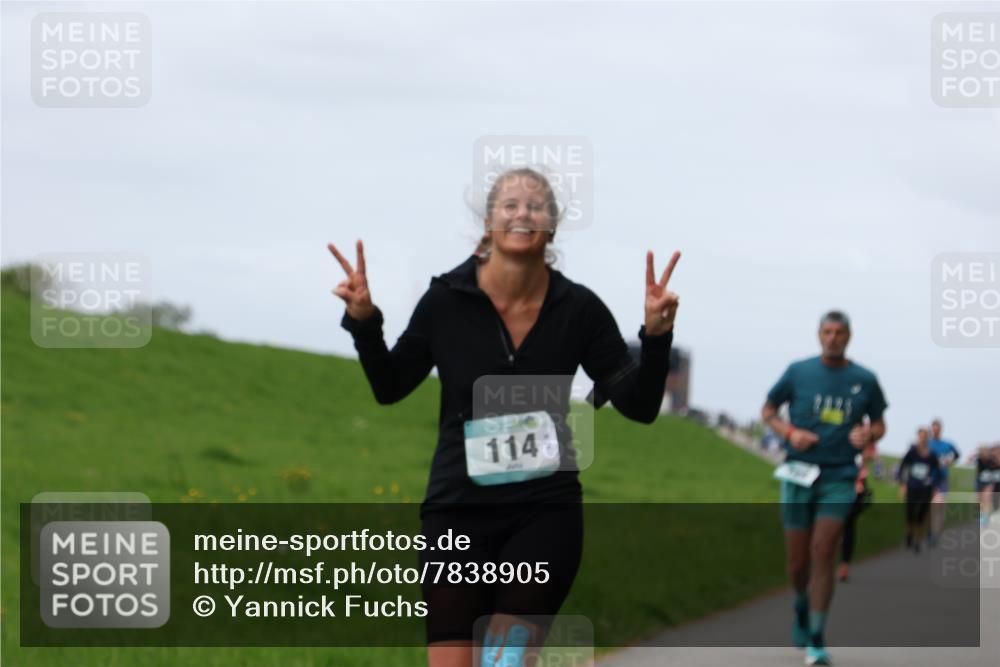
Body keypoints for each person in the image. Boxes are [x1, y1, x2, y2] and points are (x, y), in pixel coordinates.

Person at [329, 167, 681, 667]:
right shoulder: (445, 302)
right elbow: (390, 386)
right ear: (489, 222)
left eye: (536, 206)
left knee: (504, 661)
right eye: (510, 205)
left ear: (552, 227)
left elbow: (639, 407)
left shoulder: (579, 309)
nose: (522, 214)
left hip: (543, 514)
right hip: (456, 514)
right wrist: (365, 323)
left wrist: (656, 338)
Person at [761, 310, 888, 667]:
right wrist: (790, 433)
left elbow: (880, 424)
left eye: (839, 332)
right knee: (797, 563)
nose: (833, 338)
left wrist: (869, 434)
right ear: (819, 335)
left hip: (840, 476)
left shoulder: (865, 379)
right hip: (799, 473)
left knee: (824, 550)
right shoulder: (798, 371)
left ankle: (816, 637)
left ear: (849, 336)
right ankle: (801, 605)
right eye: (828, 332)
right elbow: (768, 410)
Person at [896, 428, 941, 553]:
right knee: (910, 513)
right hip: (912, 487)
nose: (922, 439)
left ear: (928, 438)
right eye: (921, 436)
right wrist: (902, 484)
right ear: (918, 437)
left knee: (921, 515)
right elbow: (902, 467)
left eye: (925, 436)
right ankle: (909, 534)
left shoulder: (932, 455)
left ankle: (917, 541)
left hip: (926, 489)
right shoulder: (912, 453)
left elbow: (938, 472)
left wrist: (935, 487)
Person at [837, 442, 875, 583]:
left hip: (855, 488)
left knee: (848, 526)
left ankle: (844, 565)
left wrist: (860, 481)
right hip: (834, 485)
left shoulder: (859, 441)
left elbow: (869, 454)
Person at [927, 418, 961, 546]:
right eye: (933, 429)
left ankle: (935, 533)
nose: (935, 431)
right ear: (931, 429)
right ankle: (930, 531)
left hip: (942, 479)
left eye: (937, 429)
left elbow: (957, 454)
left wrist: (950, 460)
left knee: (937, 504)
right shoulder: (927, 443)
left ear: (940, 429)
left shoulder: (947, 444)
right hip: (928, 479)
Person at [973, 445, 1000, 525]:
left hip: (990, 483)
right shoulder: (979, 460)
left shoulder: (993, 461)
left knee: (987, 498)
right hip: (981, 482)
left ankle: (985, 516)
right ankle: (983, 515)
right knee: (980, 499)